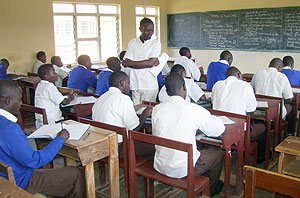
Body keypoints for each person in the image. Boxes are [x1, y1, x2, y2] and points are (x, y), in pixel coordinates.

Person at [0, 79, 85, 197]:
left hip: (8, 173)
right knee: (76, 173)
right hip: (22, 180)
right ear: (8, 100)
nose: (21, 103)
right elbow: (35, 161)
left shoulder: (6, 125)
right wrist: (60, 139)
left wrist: (21, 135)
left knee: (61, 175)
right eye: (19, 99)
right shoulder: (9, 129)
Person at [152, 73, 225, 196]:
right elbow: (218, 129)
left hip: (160, 164)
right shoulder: (193, 109)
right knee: (218, 153)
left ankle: (204, 181)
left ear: (167, 92)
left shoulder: (157, 109)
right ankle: (210, 190)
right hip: (184, 169)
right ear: (185, 88)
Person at [92, 71, 153, 157]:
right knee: (156, 146)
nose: (129, 87)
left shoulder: (100, 98)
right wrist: (144, 114)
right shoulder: (123, 99)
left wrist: (134, 108)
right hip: (118, 146)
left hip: (102, 143)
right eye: (128, 83)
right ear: (122, 83)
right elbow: (134, 129)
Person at [212, 67, 267, 162]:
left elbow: (213, 102)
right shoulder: (245, 86)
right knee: (263, 127)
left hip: (219, 128)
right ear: (239, 75)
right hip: (238, 132)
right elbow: (251, 110)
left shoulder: (217, 85)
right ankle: (261, 158)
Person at [122, 18, 161, 105]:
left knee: (147, 114)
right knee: (135, 113)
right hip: (135, 84)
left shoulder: (155, 43)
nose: (150, 33)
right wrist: (148, 63)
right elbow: (125, 63)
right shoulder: (133, 42)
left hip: (149, 86)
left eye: (152, 30)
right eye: (147, 30)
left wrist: (131, 63)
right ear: (140, 29)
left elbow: (152, 62)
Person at [251, 58, 294, 132]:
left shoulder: (258, 73)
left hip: (257, 110)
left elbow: (251, 89)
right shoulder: (282, 77)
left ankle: (261, 130)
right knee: (292, 107)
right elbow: (289, 98)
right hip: (275, 113)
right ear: (279, 67)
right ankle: (289, 133)